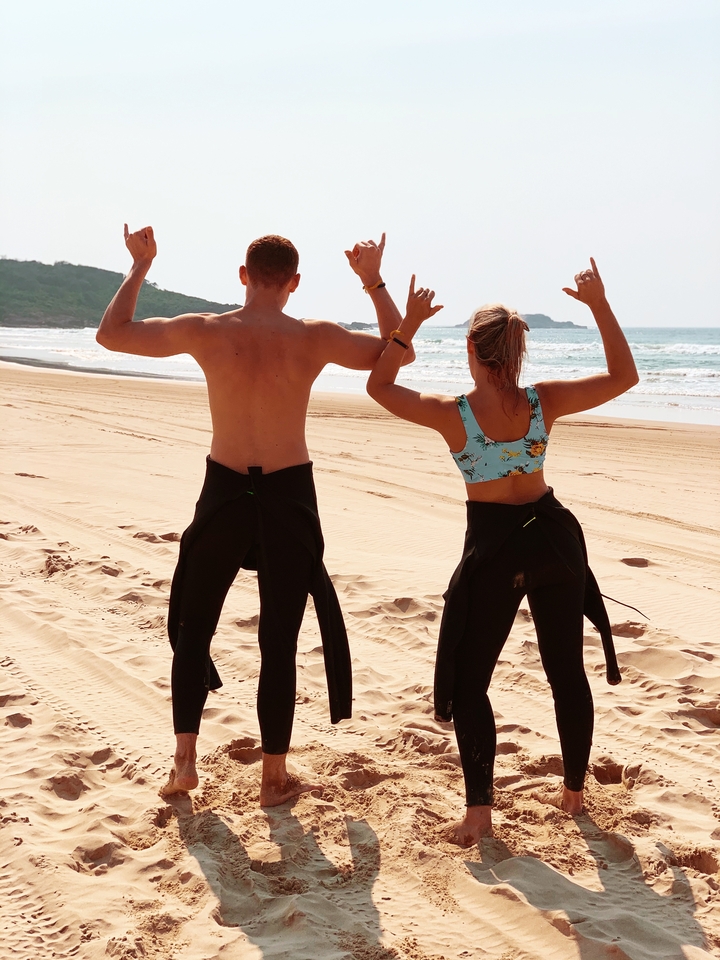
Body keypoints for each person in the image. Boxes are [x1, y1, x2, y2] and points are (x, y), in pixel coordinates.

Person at [97, 225, 411, 806]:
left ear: (243, 276)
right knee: (279, 640)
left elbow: (110, 334)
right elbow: (398, 348)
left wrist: (140, 266)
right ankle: (273, 777)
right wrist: (373, 281)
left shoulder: (207, 331)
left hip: (223, 491)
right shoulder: (315, 337)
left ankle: (185, 762)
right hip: (289, 496)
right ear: (294, 283)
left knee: (193, 631)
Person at [365, 260, 638, 845]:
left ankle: (480, 813)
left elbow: (379, 386)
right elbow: (624, 375)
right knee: (565, 670)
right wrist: (599, 305)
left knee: (471, 682)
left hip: (494, 547)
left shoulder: (454, 415)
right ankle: (573, 794)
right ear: (517, 350)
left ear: (471, 347)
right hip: (553, 538)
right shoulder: (543, 402)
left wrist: (407, 324)